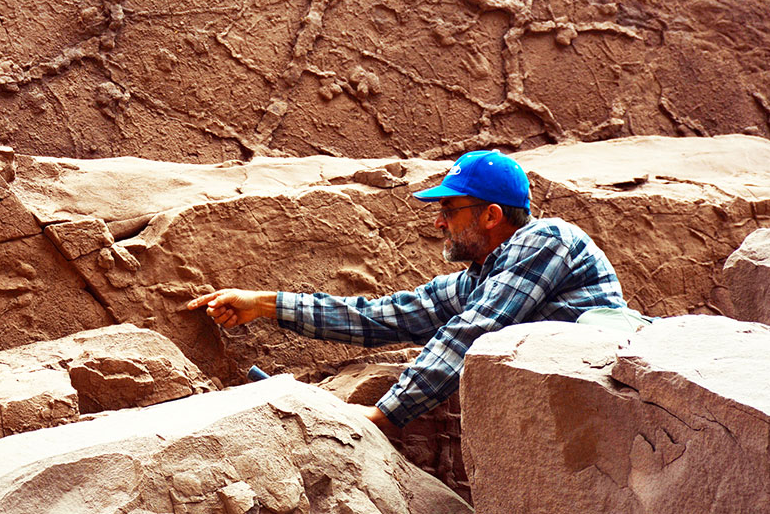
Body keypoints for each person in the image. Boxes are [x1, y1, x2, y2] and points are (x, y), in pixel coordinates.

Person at [186, 150, 627, 439]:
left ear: (491, 215)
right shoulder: (484, 276)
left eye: (450, 210)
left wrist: (383, 413)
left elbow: (474, 331)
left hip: (618, 413)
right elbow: (385, 316)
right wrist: (264, 304)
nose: (439, 222)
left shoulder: (546, 239)